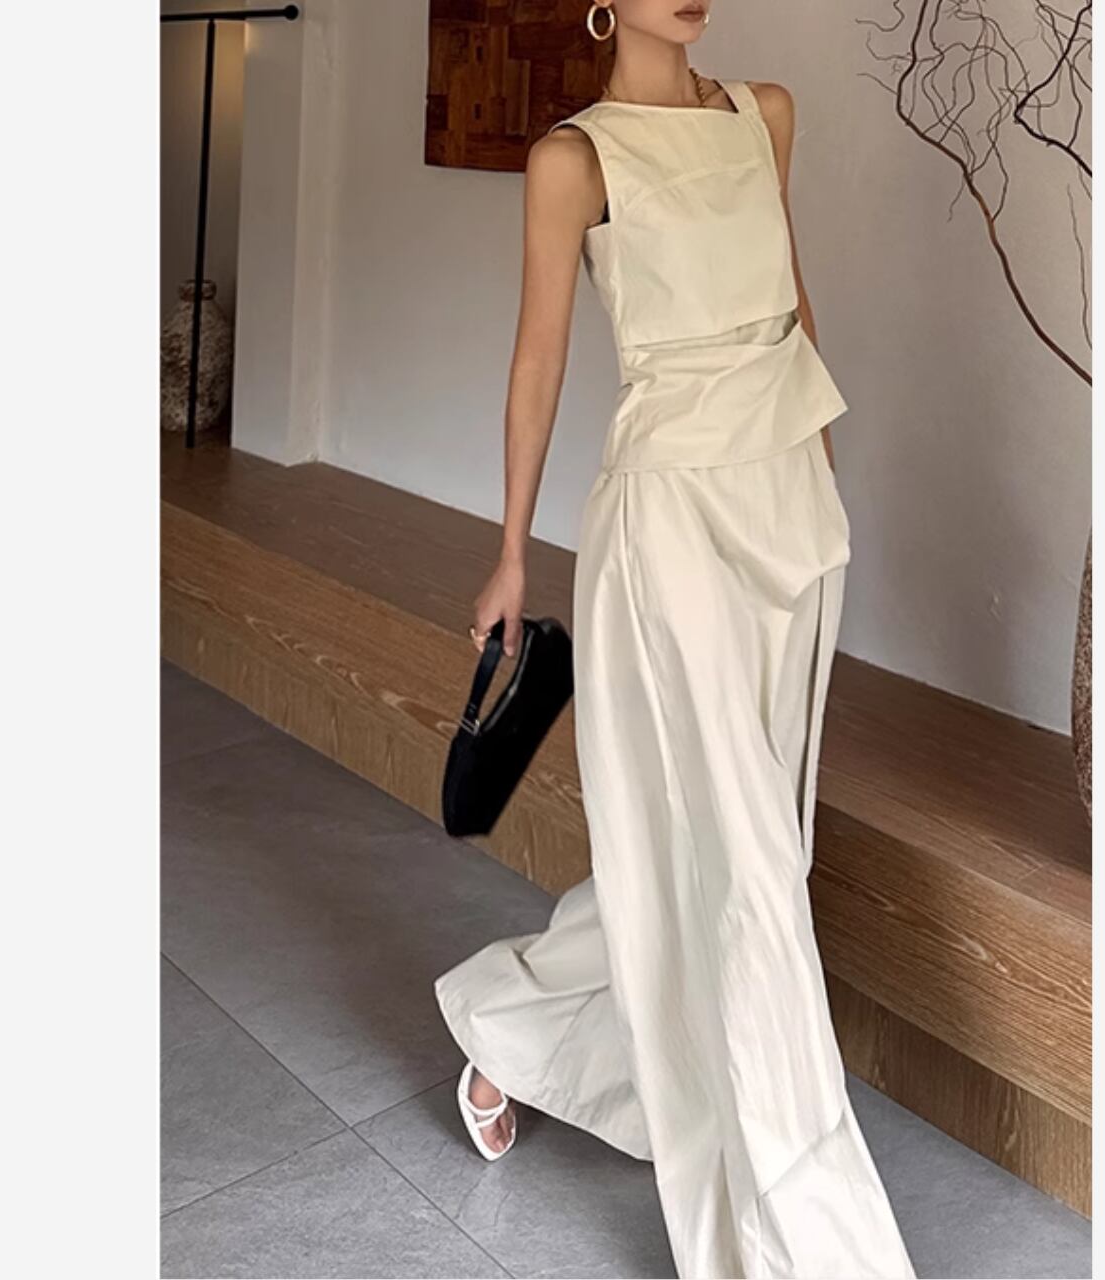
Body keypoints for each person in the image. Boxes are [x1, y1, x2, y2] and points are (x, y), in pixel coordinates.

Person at [433, 3, 917, 1276]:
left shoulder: (765, 116)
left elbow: (790, 303)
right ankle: (800, 1239)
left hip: (786, 510)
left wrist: (821, 474)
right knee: (745, 865)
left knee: (740, 844)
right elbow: (539, 360)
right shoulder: (572, 159)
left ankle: (509, 1025)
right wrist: (510, 550)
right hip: (669, 523)